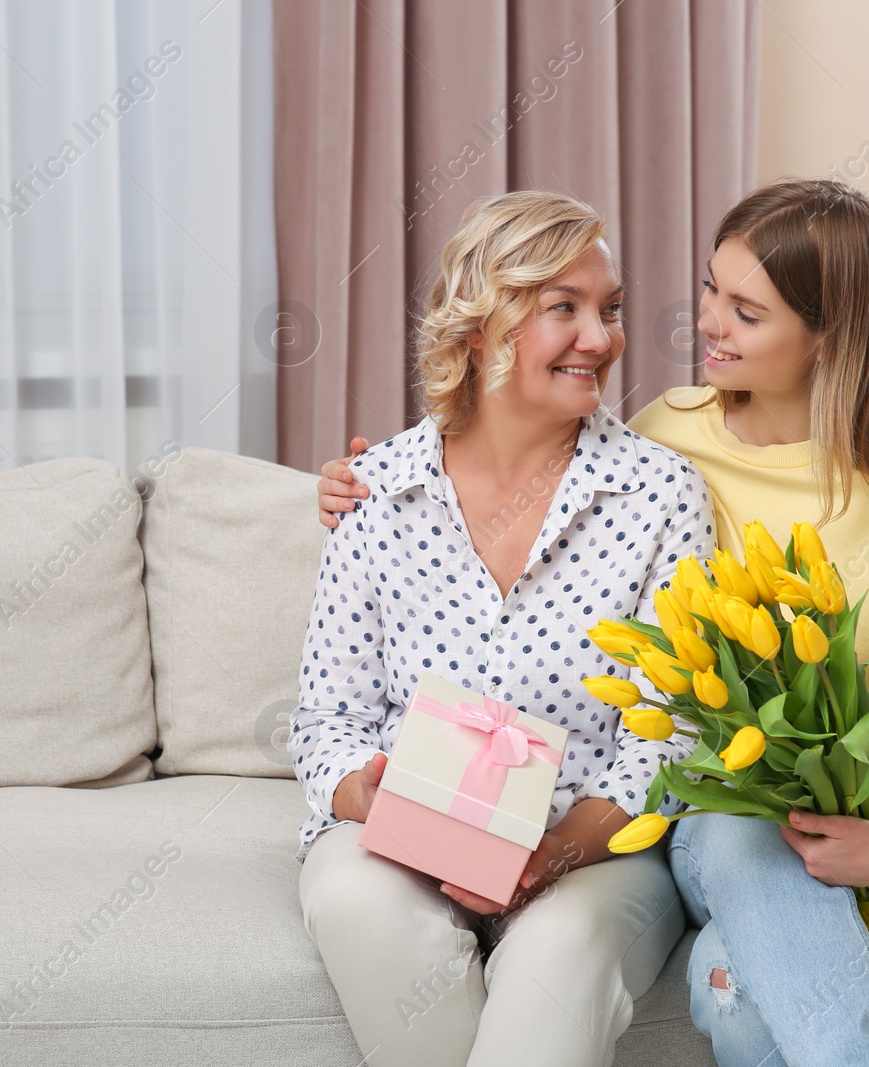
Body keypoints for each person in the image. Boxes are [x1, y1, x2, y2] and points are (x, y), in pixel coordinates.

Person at [313, 177, 869, 1066]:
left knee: (734, 989)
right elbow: (511, 440)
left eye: (746, 312)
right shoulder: (669, 433)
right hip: (750, 822)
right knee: (736, 834)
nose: (708, 324)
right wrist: (369, 479)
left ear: (824, 339)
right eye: (711, 290)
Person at [290, 189, 717, 1067]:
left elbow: (671, 736)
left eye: (610, 309)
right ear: (478, 329)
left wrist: (555, 853)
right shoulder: (378, 491)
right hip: (404, 843)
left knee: (558, 954)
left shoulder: (662, 495)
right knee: (351, 897)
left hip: (596, 850)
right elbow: (326, 722)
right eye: (564, 308)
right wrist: (368, 797)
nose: (600, 339)